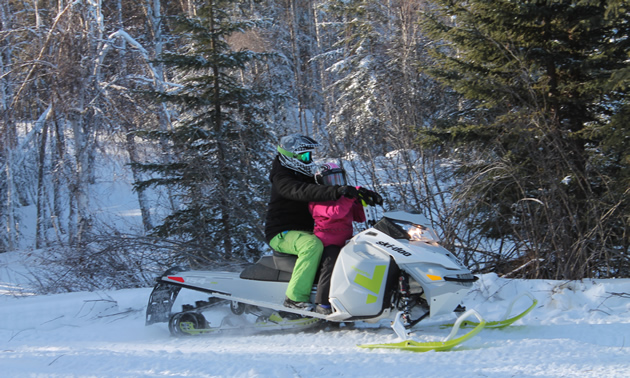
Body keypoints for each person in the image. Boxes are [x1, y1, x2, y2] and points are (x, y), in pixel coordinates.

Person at [264, 134, 362, 311]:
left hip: (308, 230)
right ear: (290, 156)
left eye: (310, 155)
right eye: (305, 156)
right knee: (312, 246)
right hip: (282, 232)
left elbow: (325, 187)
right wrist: (336, 191)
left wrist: (359, 193)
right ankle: (294, 300)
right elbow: (302, 191)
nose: (309, 160)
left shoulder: (304, 174)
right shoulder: (282, 179)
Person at [308, 163, 380, 315]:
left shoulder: (342, 198)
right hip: (327, 243)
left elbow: (359, 217)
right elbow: (336, 212)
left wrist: (361, 199)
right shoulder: (316, 199)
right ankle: (323, 303)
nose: (336, 184)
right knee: (332, 262)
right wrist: (349, 197)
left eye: (339, 178)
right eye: (331, 180)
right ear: (321, 182)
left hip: (346, 241)